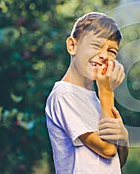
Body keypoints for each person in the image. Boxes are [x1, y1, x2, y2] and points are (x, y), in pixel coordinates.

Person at [45, 12, 129, 173]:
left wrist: (124, 137)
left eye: (112, 51)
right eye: (96, 45)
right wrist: (106, 90)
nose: (104, 55)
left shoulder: (95, 100)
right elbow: (107, 150)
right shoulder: (64, 95)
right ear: (72, 46)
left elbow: (117, 160)